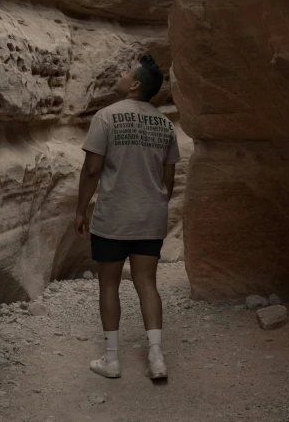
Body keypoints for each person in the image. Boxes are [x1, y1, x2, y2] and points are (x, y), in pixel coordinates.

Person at [75, 54, 180, 380]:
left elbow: (92, 169)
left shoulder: (106, 117)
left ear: (134, 84)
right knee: (146, 282)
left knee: (108, 284)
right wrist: (156, 202)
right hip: (150, 215)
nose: (120, 73)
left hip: (114, 216)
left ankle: (112, 360)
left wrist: (80, 210)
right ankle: (156, 356)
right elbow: (169, 177)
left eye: (125, 71)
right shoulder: (165, 124)